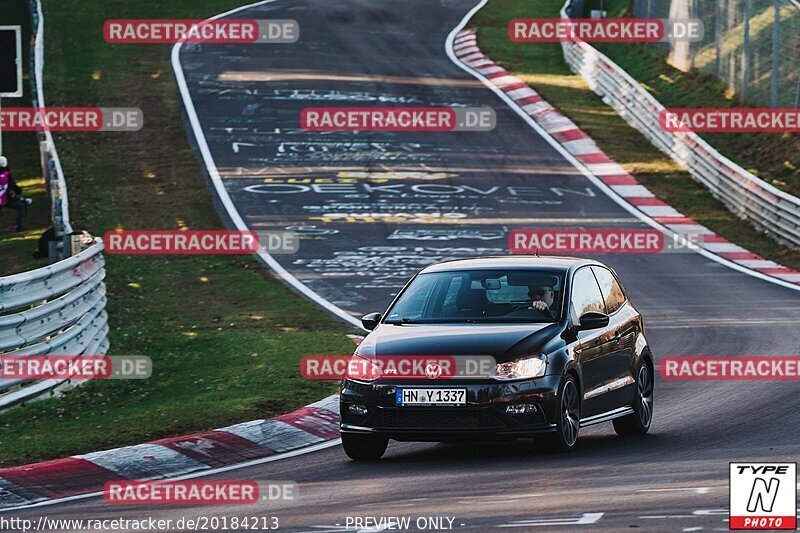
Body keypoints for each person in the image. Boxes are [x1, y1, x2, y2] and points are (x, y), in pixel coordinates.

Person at [0, 156, 30, 232]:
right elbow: (12, 185)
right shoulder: (6, 174)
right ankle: (19, 226)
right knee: (20, 207)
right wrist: (18, 191)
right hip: (6, 198)